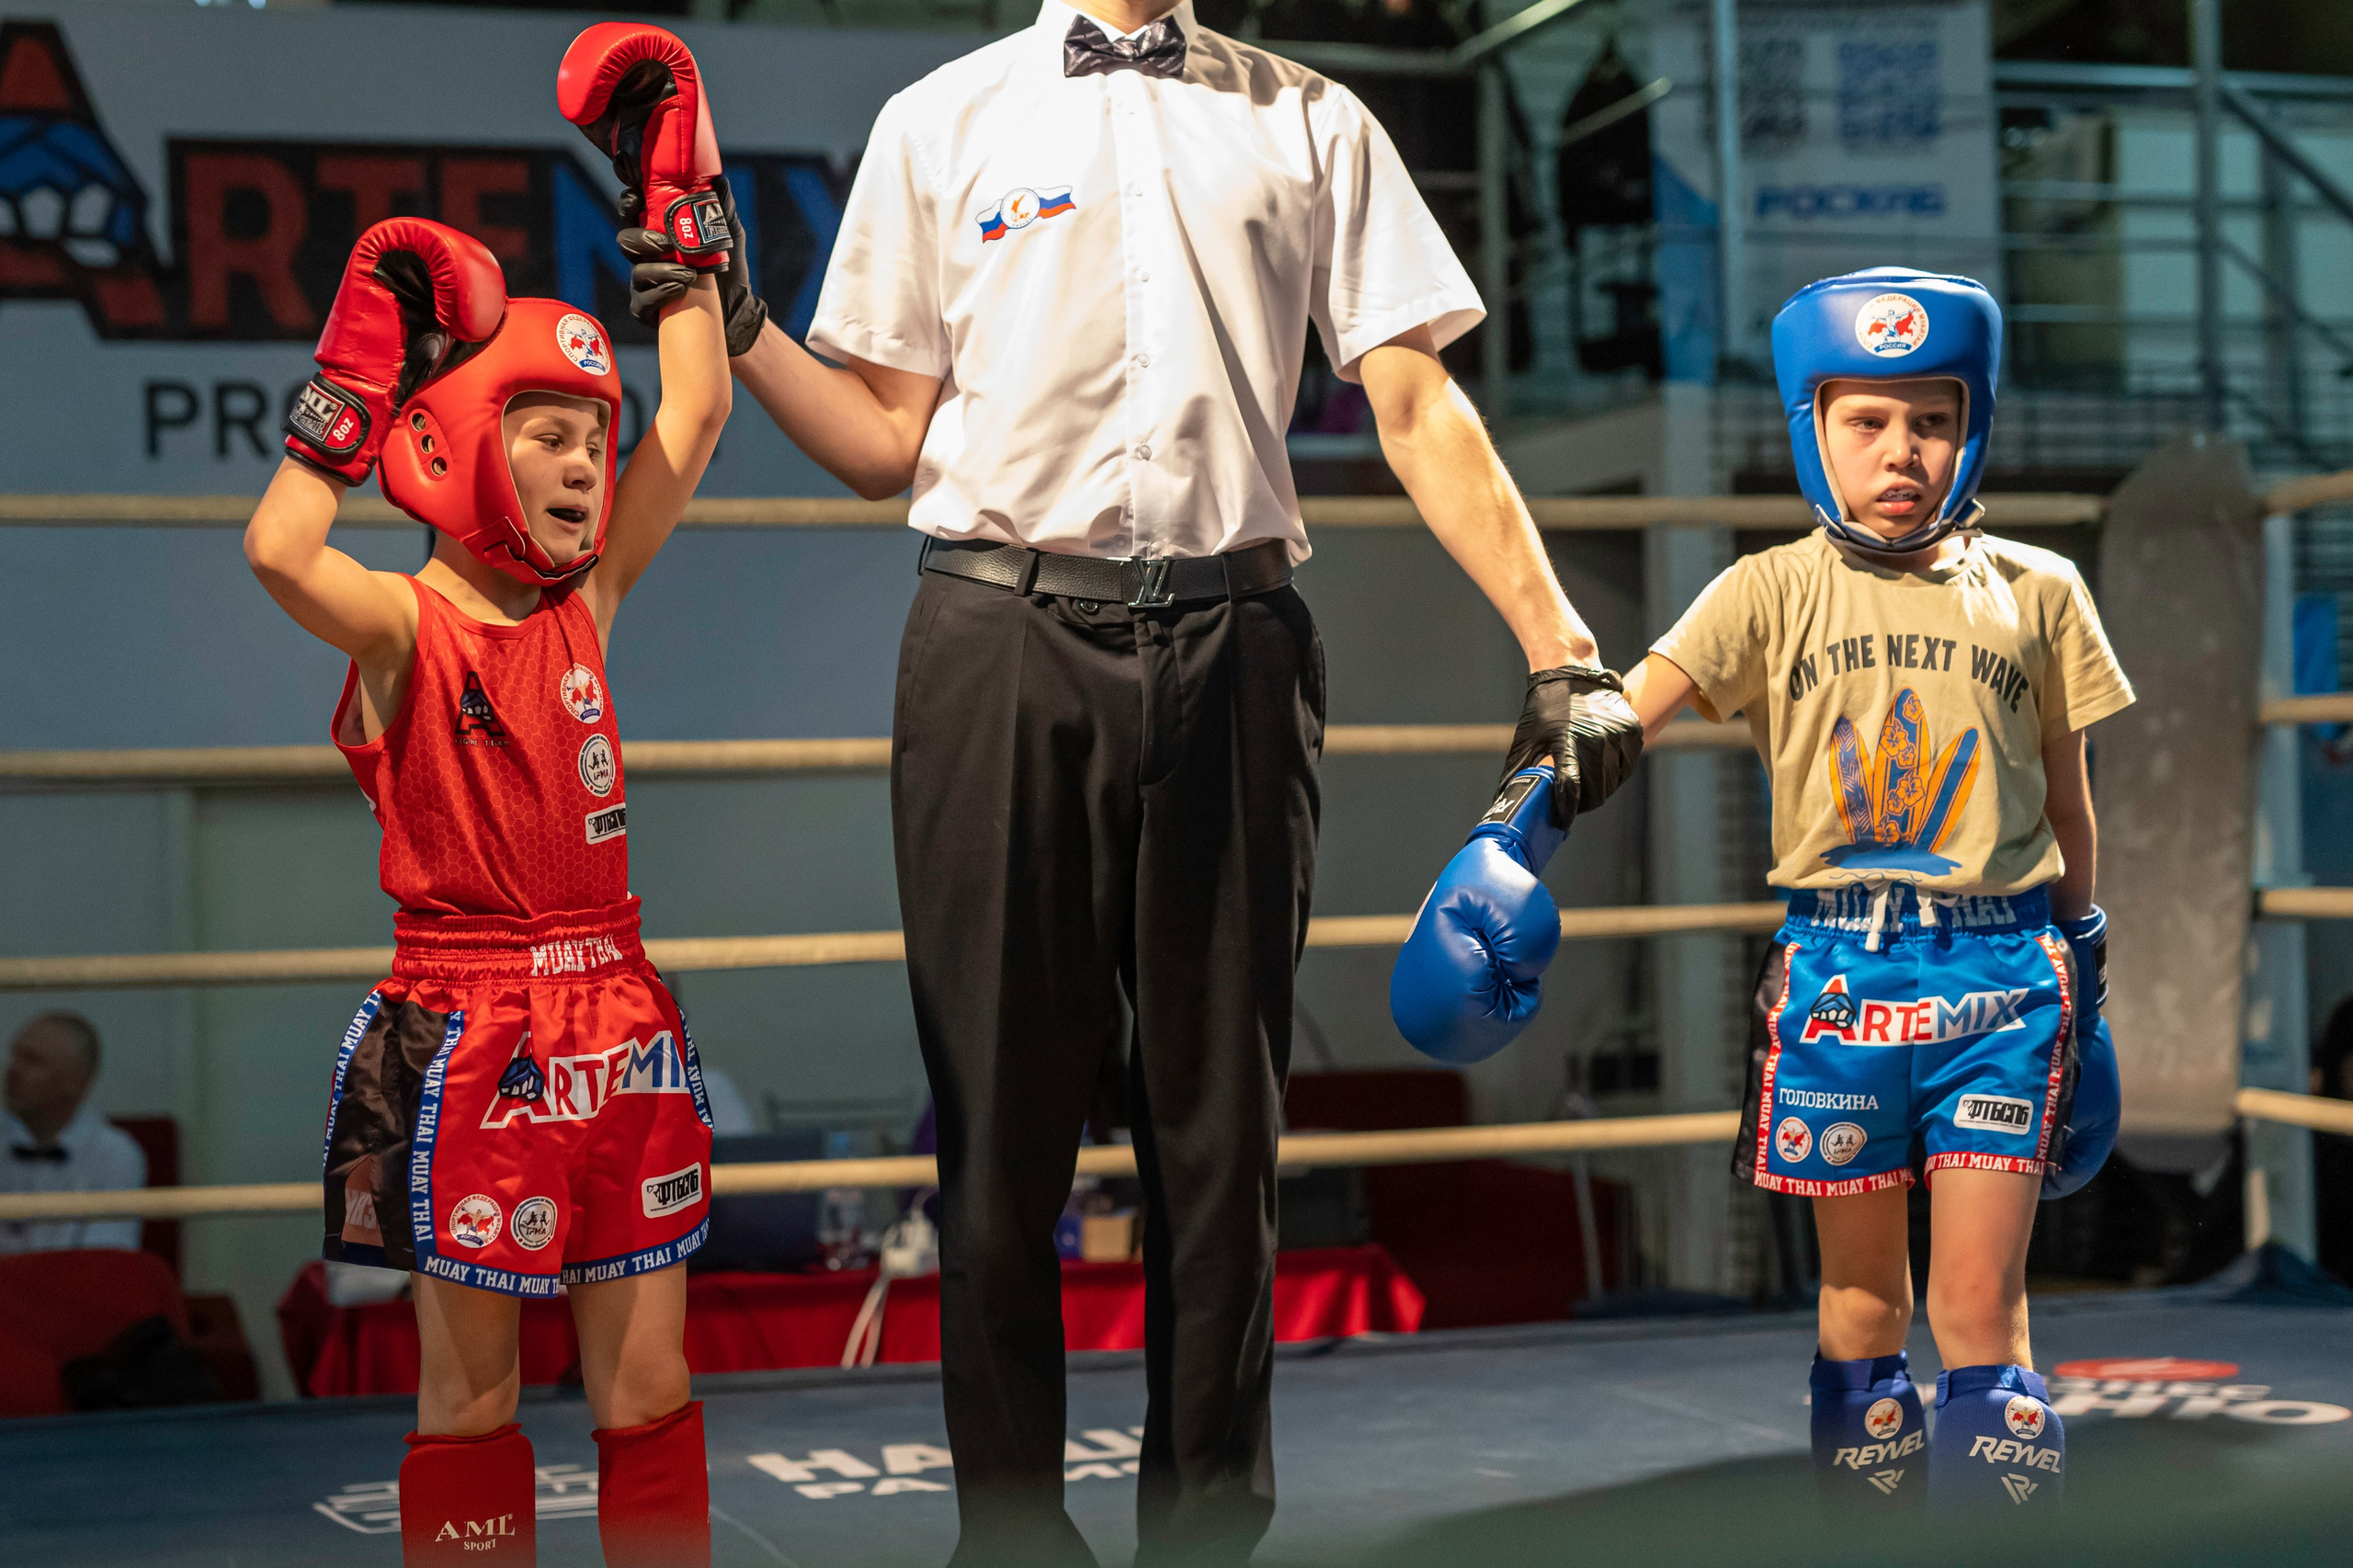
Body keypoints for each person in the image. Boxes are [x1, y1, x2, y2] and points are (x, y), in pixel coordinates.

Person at [614, 3, 1642, 1559]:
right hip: (995, 636)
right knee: (999, 1136)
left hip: (1239, 644)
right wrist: (735, 308)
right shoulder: (938, 116)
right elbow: (884, 439)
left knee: (1223, 1141)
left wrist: (1559, 640)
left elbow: (1416, 398)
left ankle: (1205, 1535)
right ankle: (1013, 1538)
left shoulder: (1311, 119)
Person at [243, 25, 732, 1564]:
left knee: (649, 1384)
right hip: (459, 1032)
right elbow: (276, 553)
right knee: (468, 1404)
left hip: (617, 1016)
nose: (590, 459)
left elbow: (701, 411)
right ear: (456, 448)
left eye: (595, 434)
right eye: (548, 430)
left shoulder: (591, 607)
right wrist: (354, 372)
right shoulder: (408, 620)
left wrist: (676, 196)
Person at [1622, 268, 2134, 1511]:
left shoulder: (2040, 588)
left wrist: (2089, 956)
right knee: (1861, 1302)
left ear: (1974, 425)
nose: (1900, 450)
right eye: (1867, 419)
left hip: (2007, 976)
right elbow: (1617, 720)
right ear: (1814, 425)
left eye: (1931, 418)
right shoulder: (1767, 588)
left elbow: (2071, 801)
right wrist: (1515, 816)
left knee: (1980, 1307)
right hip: (1842, 976)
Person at [0, 1012, 146, 1256]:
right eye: (15, 1056)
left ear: (76, 1081)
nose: (13, 1070)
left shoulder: (114, 1154)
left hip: (69, 1293)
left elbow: (103, 1263)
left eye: (32, 1061)